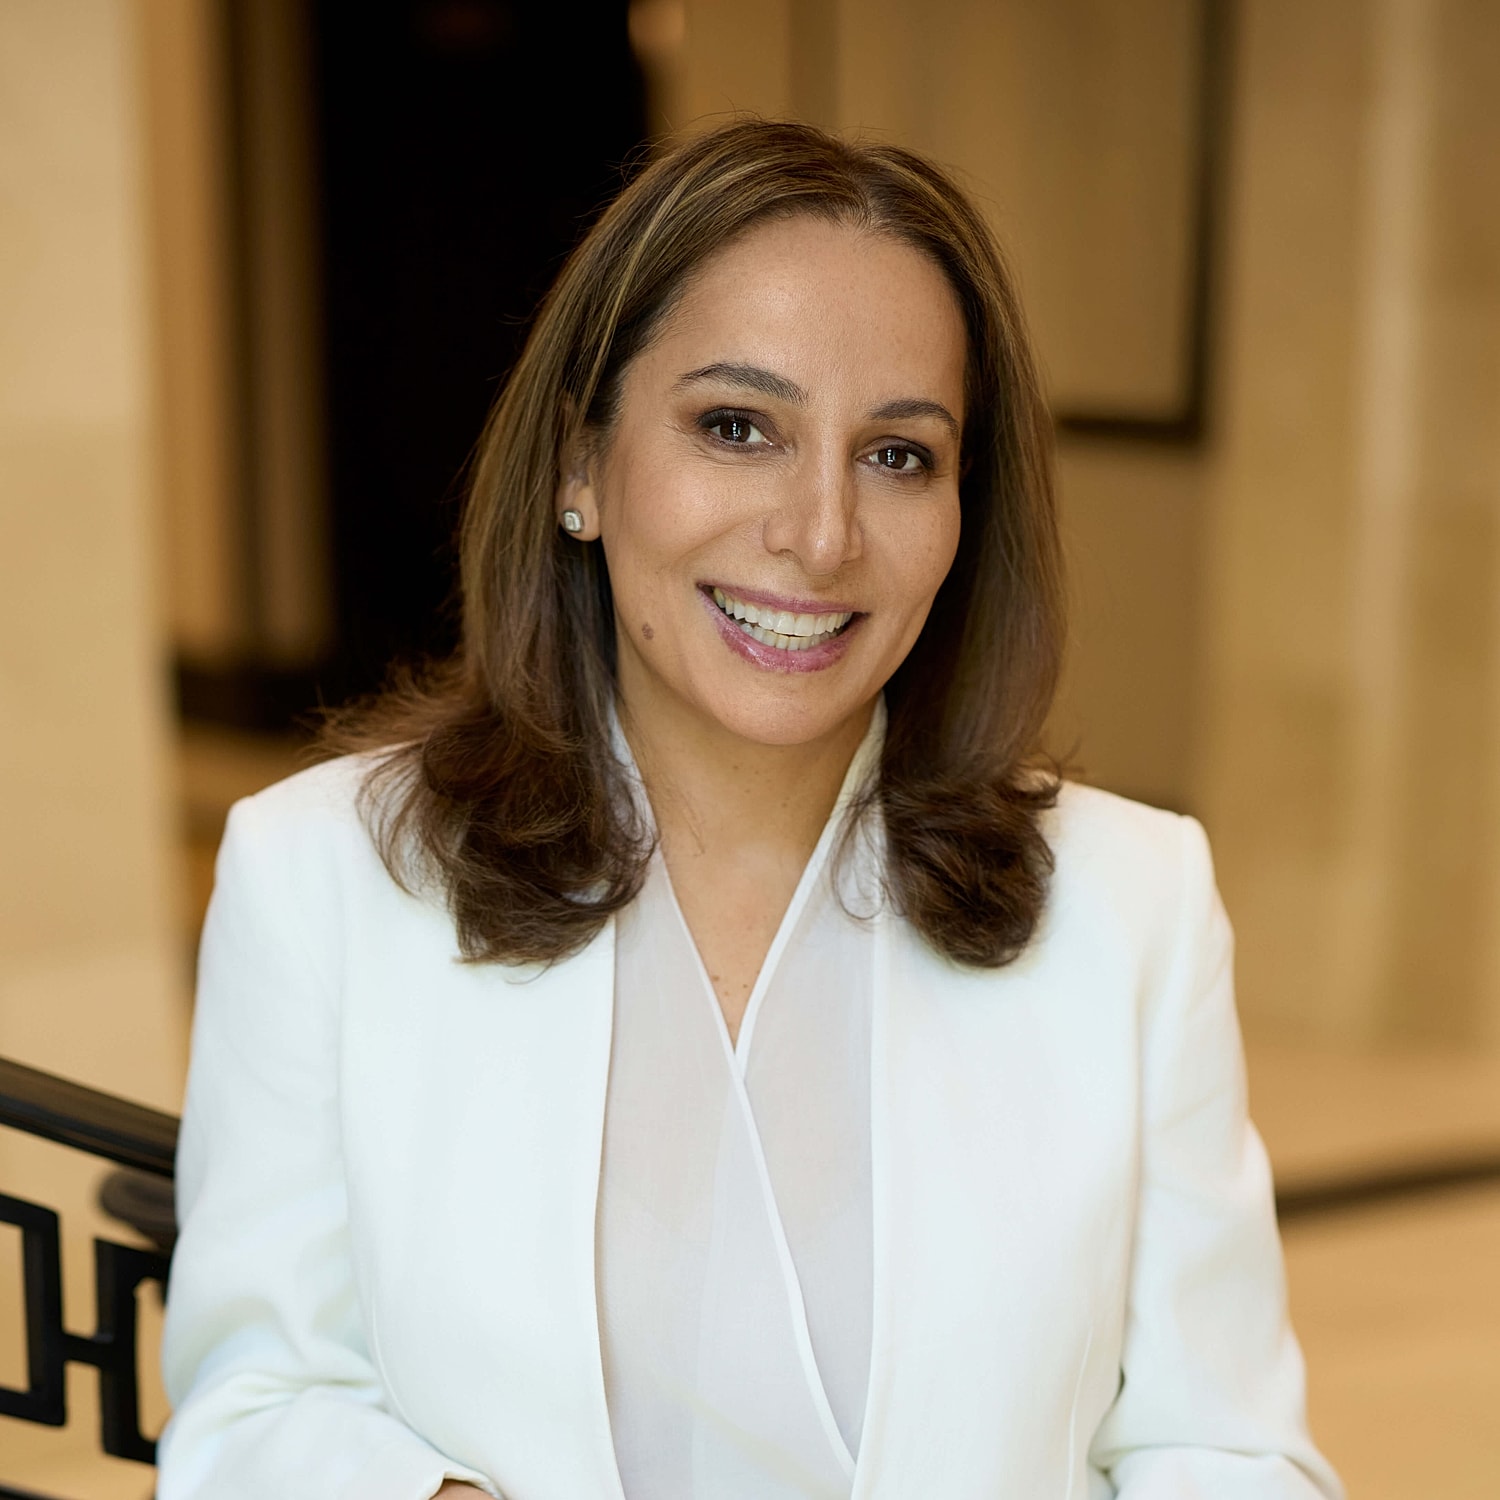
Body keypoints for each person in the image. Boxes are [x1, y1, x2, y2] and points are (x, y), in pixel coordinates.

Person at [157, 120, 1342, 1500]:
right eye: (738, 427)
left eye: (899, 455)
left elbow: (1229, 1450)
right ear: (579, 466)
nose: (821, 534)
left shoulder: (1131, 907)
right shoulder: (323, 878)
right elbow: (255, 1415)